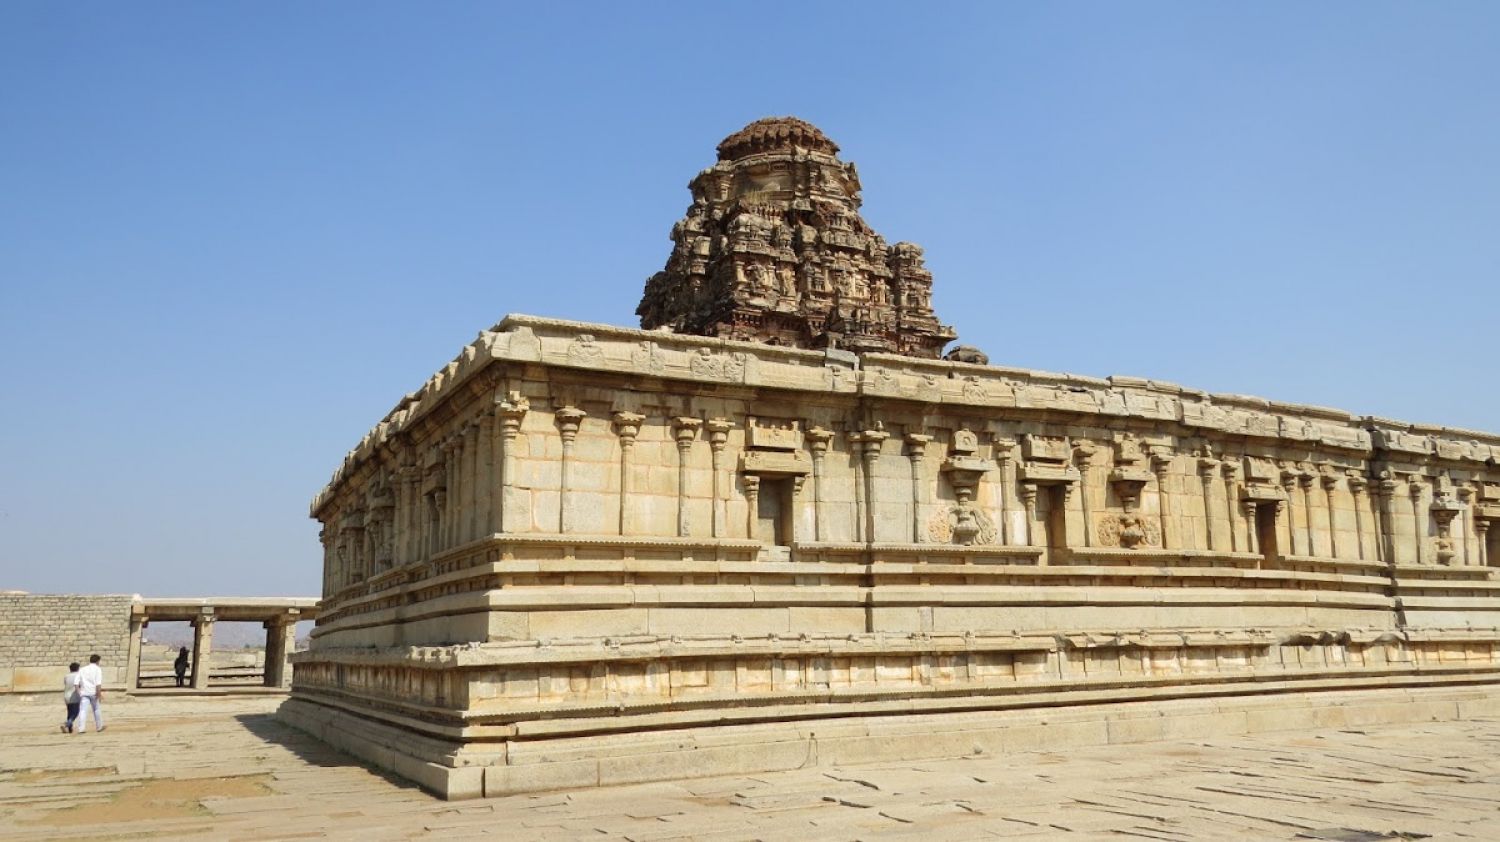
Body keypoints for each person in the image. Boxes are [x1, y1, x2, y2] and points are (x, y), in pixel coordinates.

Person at [76, 654, 105, 734]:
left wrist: (79, 692)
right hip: (93, 693)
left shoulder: (82, 669)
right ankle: (99, 727)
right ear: (98, 661)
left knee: (83, 710)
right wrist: (99, 694)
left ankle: (81, 728)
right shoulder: (98, 669)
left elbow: (76, 683)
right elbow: (98, 684)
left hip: (84, 692)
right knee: (96, 710)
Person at [61, 662, 81, 733]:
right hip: (74, 696)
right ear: (78, 668)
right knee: (75, 712)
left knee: (69, 713)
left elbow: (66, 683)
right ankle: (66, 724)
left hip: (66, 696)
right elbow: (79, 685)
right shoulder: (78, 676)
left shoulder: (66, 676)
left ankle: (70, 728)